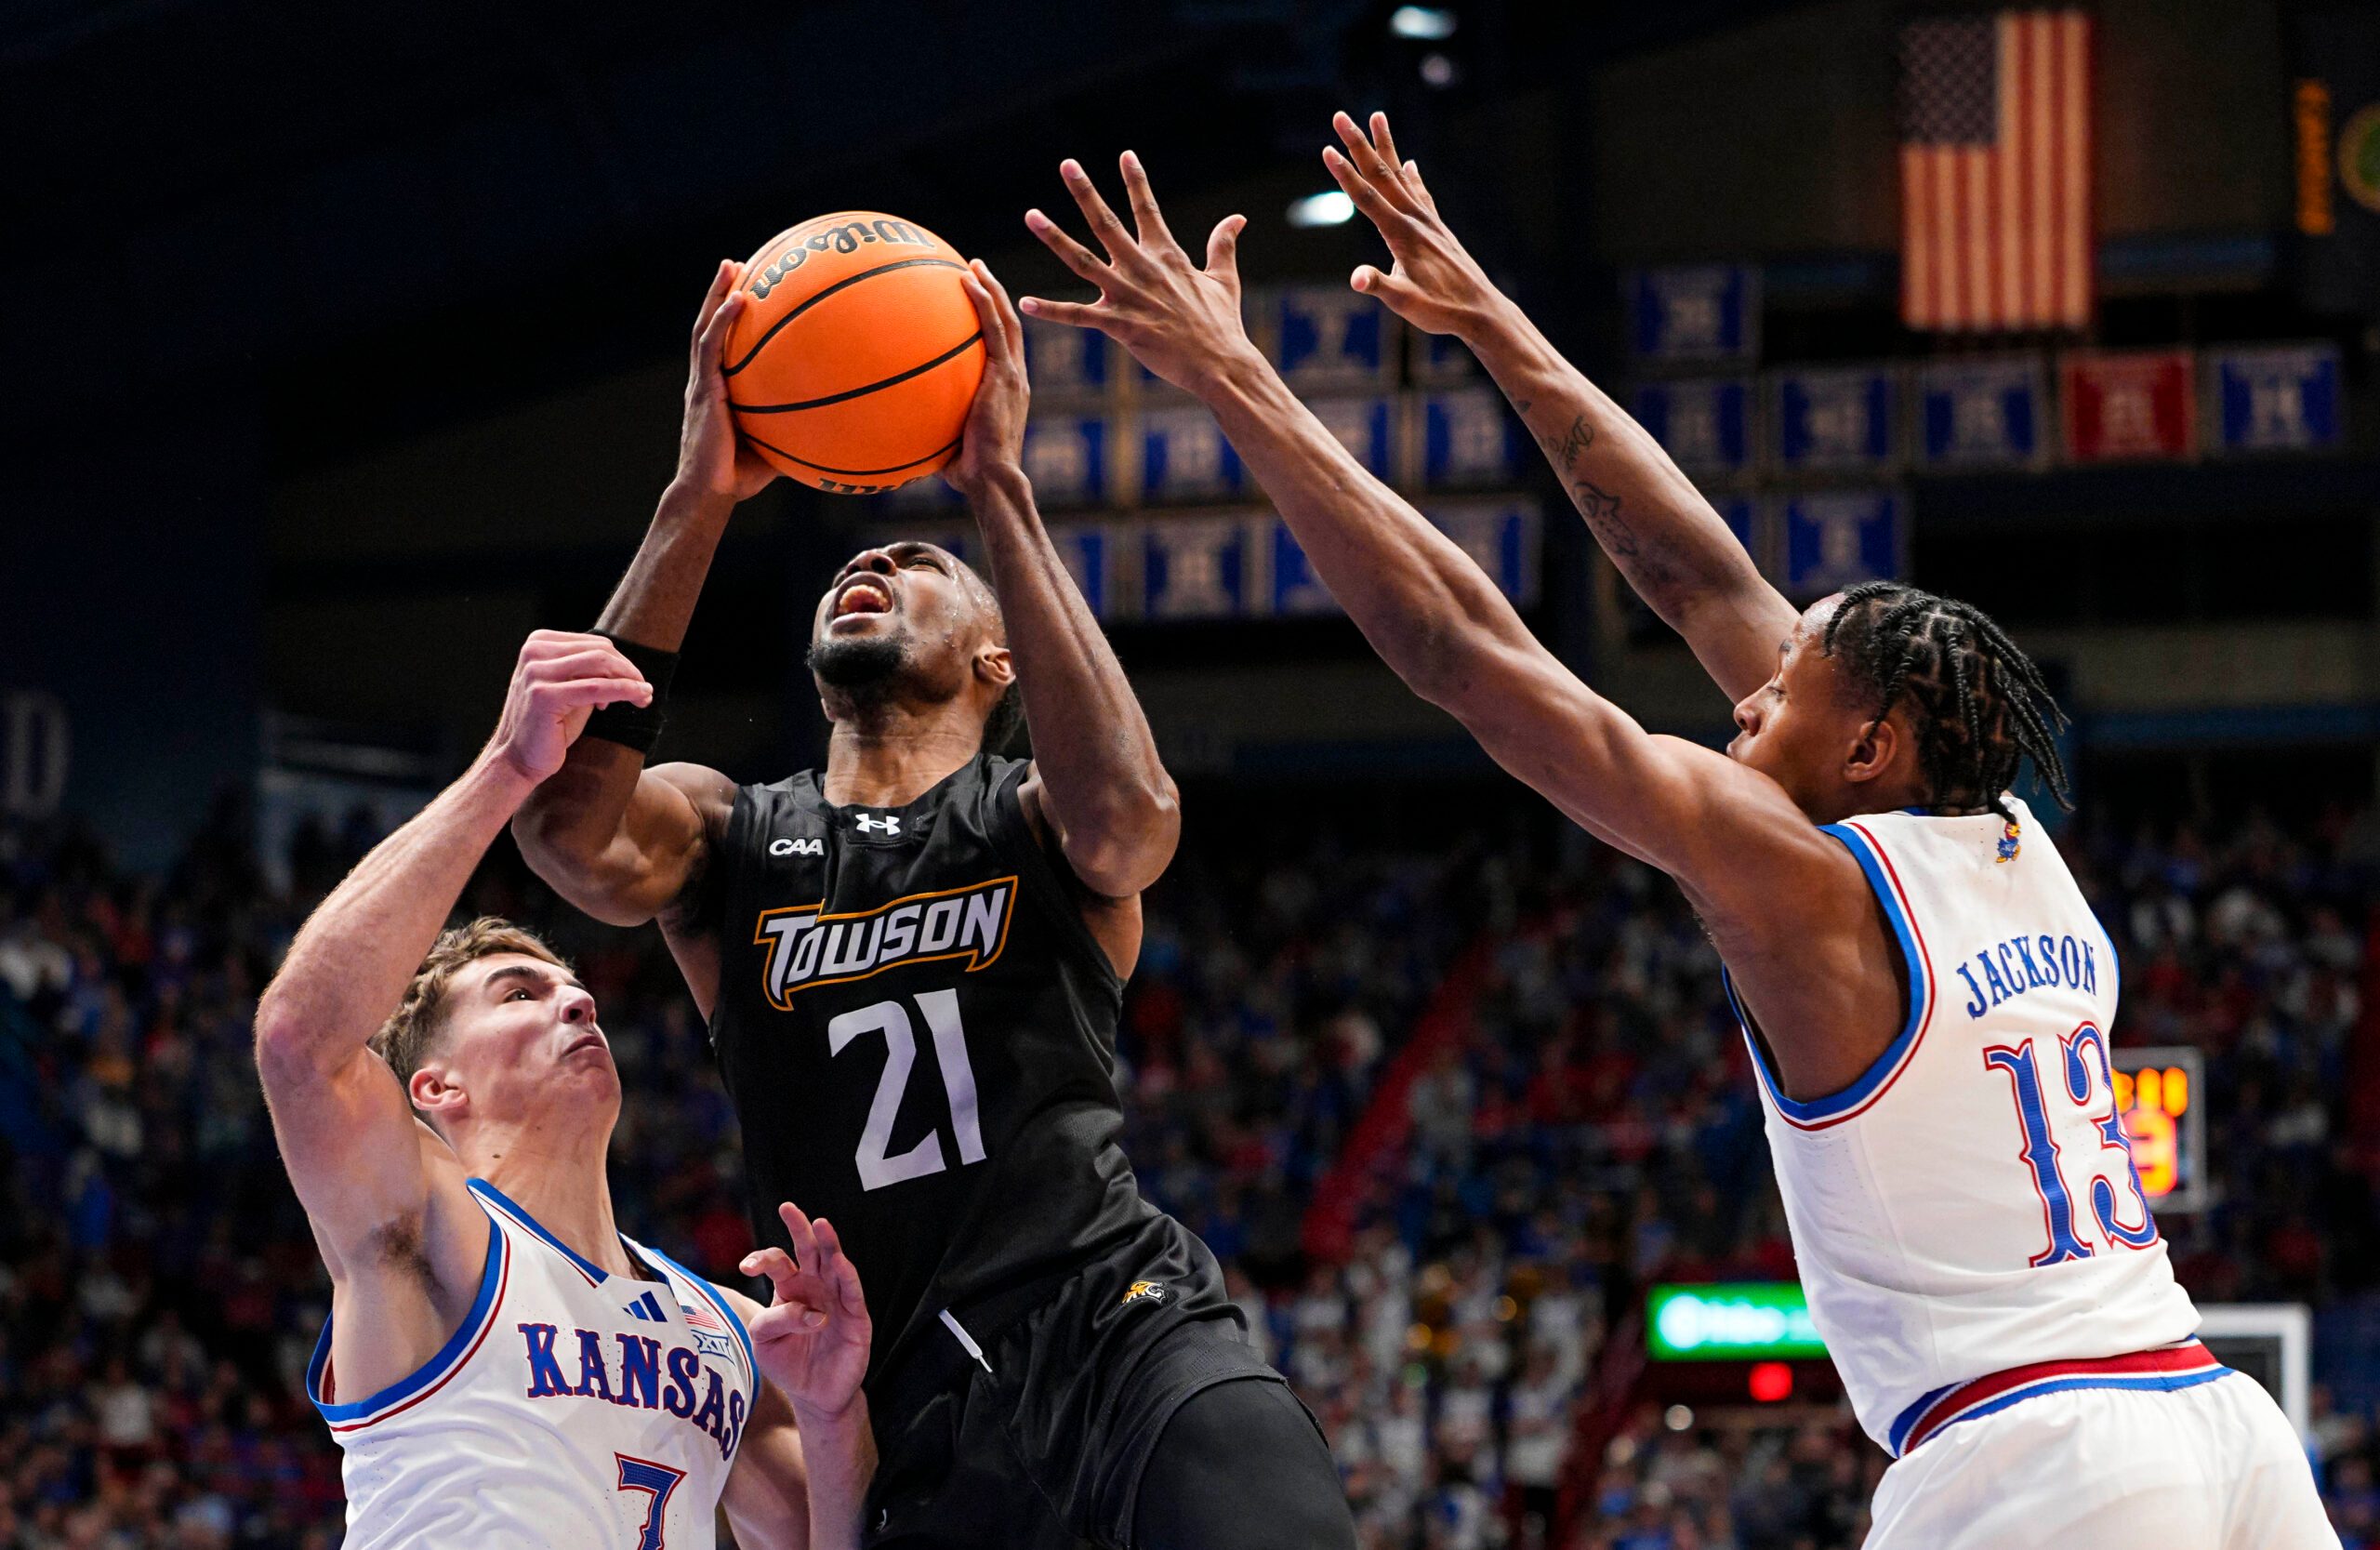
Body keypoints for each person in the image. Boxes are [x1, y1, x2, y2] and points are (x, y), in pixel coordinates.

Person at [1012, 120, 2336, 1549]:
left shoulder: (1812, 880)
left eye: (1782, 692)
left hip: (2040, 1452)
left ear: (1870, 745)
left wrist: (1234, 376)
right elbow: (1700, 573)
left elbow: (1464, 650)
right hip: (2219, 1422)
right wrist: (1492, 315)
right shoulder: (2000, 822)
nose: (1745, 695)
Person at [510, 258, 1355, 1550]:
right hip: (913, 1403)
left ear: (994, 658)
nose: (880, 556)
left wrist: (1000, 492)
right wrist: (696, 498)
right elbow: (566, 833)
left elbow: (1132, 819)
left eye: (920, 560)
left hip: (1125, 1332)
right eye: (866, 553)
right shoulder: (734, 830)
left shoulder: (1031, 815)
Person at [254, 630, 877, 1550]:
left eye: (572, 985)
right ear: (435, 1084)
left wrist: (832, 1414)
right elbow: (299, 1041)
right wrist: (507, 768)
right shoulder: (426, 1220)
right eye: (520, 991)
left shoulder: (728, 1325)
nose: (577, 997)